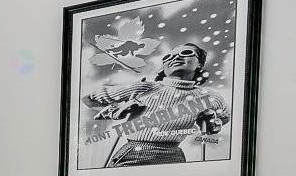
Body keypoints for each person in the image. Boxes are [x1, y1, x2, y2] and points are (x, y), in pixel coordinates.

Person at [83, 42, 231, 166]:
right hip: (135, 153)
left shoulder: (208, 96)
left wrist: (213, 121)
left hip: (174, 155)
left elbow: (224, 115)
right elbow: (89, 98)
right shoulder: (144, 88)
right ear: (164, 67)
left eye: (186, 53)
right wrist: (117, 109)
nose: (176, 57)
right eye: (168, 57)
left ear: (199, 64)